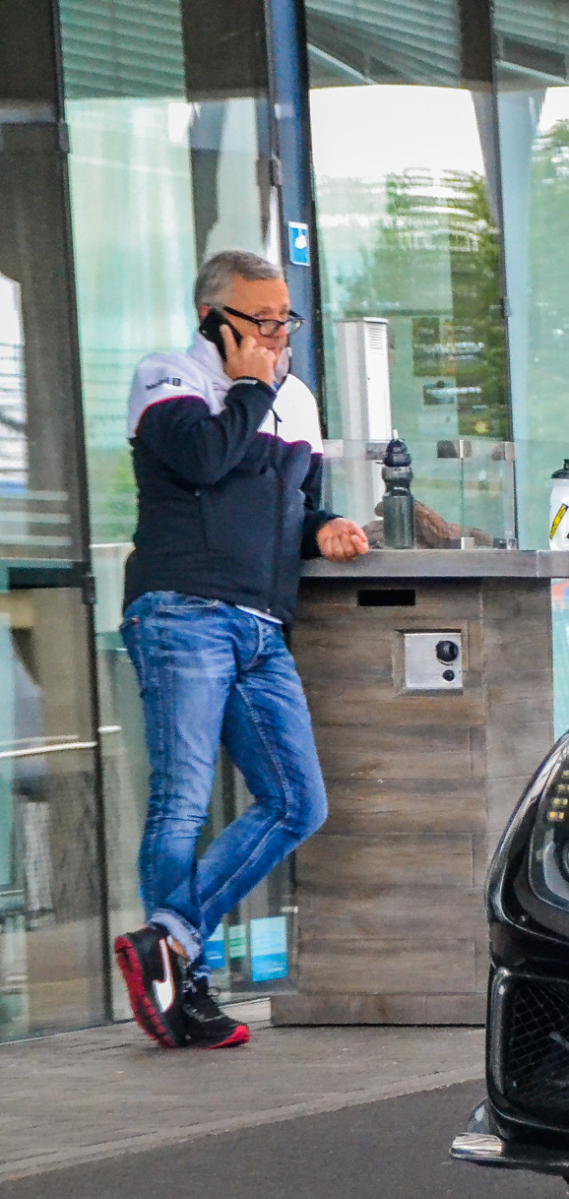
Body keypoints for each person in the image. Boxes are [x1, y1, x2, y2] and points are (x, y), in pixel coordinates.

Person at [111, 249, 368, 1049]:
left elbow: (302, 498)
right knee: (182, 801)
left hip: (261, 624)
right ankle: (182, 987)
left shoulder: (296, 399)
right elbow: (203, 458)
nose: (279, 332)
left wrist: (324, 525)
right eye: (261, 319)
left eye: (284, 317)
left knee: (299, 801)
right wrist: (250, 384)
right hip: (183, 610)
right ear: (213, 321)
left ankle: (171, 939)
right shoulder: (169, 378)